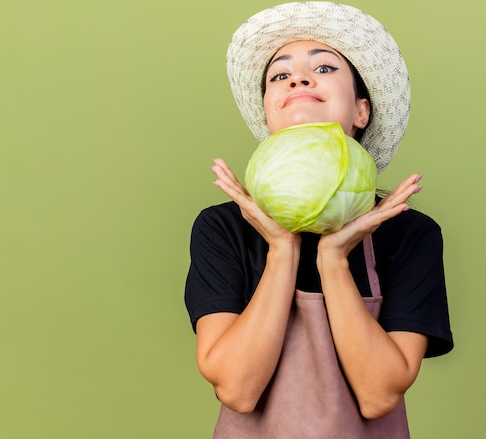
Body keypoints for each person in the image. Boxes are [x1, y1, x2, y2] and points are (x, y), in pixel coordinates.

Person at [185, 2, 453, 437]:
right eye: (279, 74)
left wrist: (333, 259)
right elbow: (237, 389)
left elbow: (379, 395)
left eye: (325, 68)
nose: (298, 78)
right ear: (270, 113)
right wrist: (282, 250)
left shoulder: (408, 233)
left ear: (361, 111)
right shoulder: (223, 228)